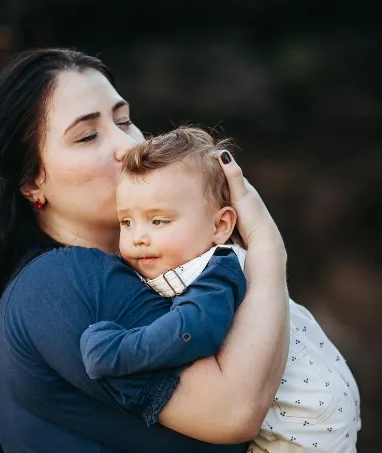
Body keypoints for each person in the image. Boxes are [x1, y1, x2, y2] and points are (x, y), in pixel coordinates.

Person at [0, 48, 290, 453]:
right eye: (87, 136)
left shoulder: (139, 275)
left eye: (124, 120)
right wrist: (267, 248)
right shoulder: (61, 284)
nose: (126, 146)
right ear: (31, 181)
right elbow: (234, 411)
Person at [79, 127, 362, 452]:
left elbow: (194, 330)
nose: (138, 237)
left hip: (305, 423)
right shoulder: (211, 260)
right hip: (325, 405)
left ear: (220, 226)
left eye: (158, 222)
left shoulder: (218, 270)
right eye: (126, 222)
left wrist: (119, 350)